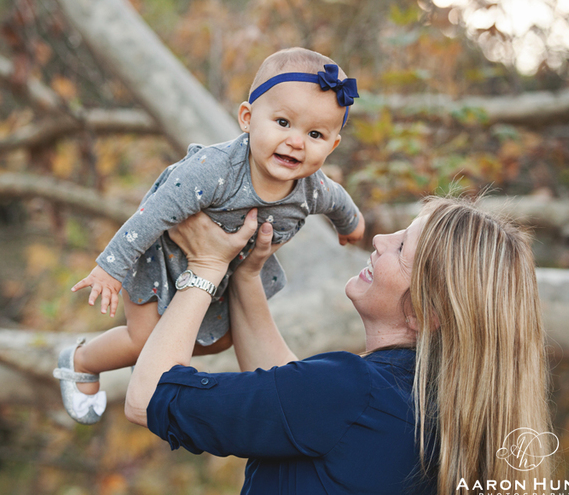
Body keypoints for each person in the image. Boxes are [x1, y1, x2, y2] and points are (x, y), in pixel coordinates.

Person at [124, 196, 554, 495]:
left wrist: (205, 268)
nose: (382, 239)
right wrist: (246, 275)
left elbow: (147, 397)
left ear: (430, 312)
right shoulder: (445, 418)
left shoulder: (350, 391)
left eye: (402, 249)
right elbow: (292, 405)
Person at [54, 47, 365, 424]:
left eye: (314, 134)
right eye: (283, 122)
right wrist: (110, 267)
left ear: (331, 145)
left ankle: (154, 357)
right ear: (248, 118)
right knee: (142, 339)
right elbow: (152, 214)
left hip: (222, 276)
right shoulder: (213, 170)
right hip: (162, 262)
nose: (296, 141)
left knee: (220, 340)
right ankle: (81, 360)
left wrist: (351, 227)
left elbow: (339, 203)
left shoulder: (312, 188)